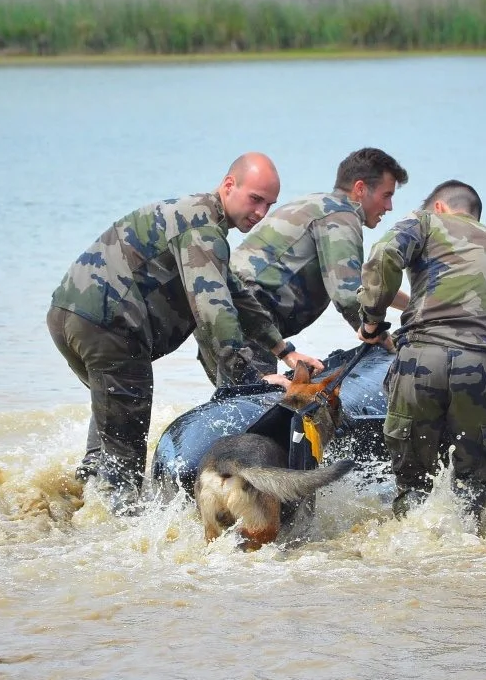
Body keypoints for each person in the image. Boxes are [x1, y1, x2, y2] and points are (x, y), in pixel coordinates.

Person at [47, 152, 325, 504]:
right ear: (228, 185)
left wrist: (283, 350)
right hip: (112, 329)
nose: (260, 213)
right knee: (126, 459)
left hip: (68, 317)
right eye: (255, 199)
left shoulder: (193, 217)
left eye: (269, 204)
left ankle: (79, 499)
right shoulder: (203, 230)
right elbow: (215, 311)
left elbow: (235, 293)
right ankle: (120, 530)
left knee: (110, 417)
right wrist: (252, 377)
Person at [357, 179, 486, 522]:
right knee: (475, 495)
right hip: (484, 368)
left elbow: (384, 254)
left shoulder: (424, 222)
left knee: (413, 485)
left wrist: (371, 320)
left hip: (421, 360)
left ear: (439, 207)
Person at [197, 147, 410, 383]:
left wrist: (414, 307)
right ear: (360, 189)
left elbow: (364, 284)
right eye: (386, 195)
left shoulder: (319, 205)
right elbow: (349, 296)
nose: (389, 206)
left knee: (233, 403)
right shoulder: (342, 217)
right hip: (249, 314)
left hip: (216, 309)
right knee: (257, 403)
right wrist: (378, 335)